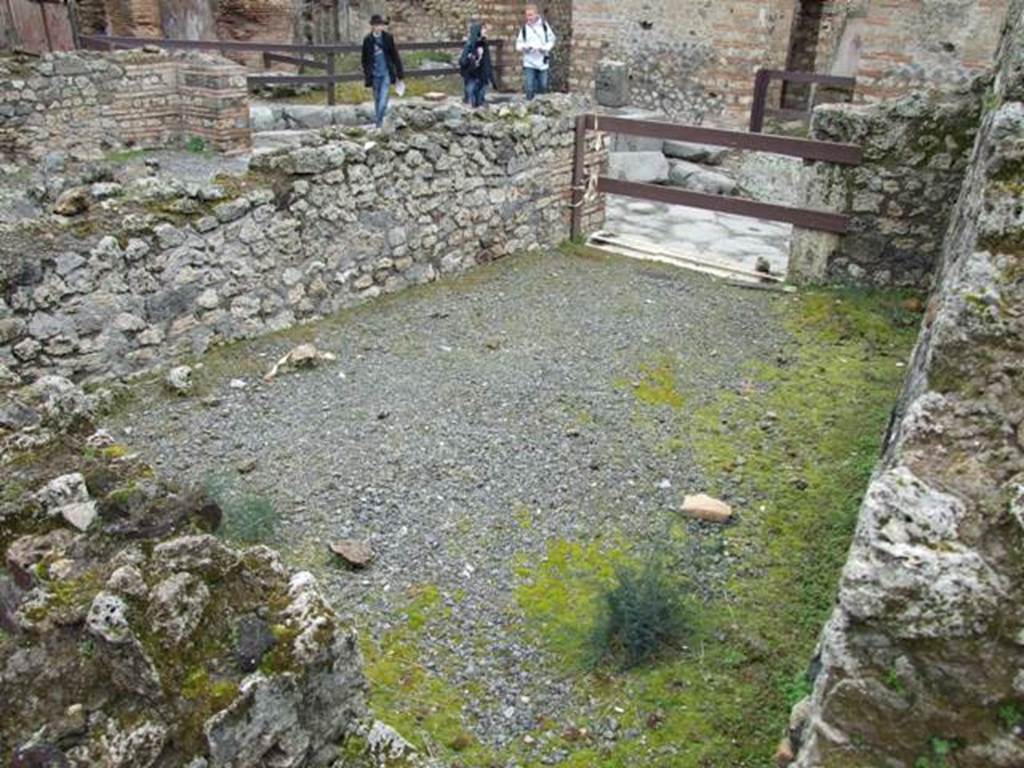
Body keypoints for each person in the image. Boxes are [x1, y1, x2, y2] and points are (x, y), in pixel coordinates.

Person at [361, 14, 405, 129]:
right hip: (374, 74)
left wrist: (399, 73)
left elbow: (395, 55)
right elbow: (364, 59)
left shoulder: (387, 38)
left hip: (386, 72)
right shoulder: (367, 40)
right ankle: (379, 124)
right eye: (377, 25)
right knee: (377, 99)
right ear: (373, 26)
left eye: (381, 25)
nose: (379, 27)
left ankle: (378, 122)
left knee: (384, 99)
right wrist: (367, 73)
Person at [515, 3, 555, 100]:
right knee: (529, 86)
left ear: (536, 14)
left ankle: (541, 105)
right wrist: (525, 47)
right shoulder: (524, 29)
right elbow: (518, 44)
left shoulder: (545, 27)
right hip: (529, 62)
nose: (529, 17)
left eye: (530, 15)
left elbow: (552, 40)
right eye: (527, 15)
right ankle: (529, 105)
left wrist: (544, 48)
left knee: (543, 85)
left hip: (542, 61)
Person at [460, 21, 497, 109]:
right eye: (483, 29)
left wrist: (490, 76)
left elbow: (487, 60)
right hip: (472, 75)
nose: (485, 31)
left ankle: (480, 105)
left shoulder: (484, 44)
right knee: (471, 95)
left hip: (482, 74)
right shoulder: (470, 44)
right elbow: (463, 61)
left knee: (480, 95)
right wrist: (471, 61)